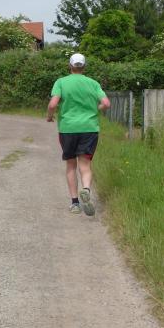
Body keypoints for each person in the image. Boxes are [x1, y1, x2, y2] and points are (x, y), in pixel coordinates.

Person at [46, 53, 110, 216]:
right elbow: (106, 103)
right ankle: (86, 189)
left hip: (68, 129)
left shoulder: (61, 82)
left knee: (71, 165)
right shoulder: (93, 83)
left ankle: (75, 203)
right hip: (89, 128)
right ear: (84, 67)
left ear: (70, 65)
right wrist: (96, 110)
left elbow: (53, 104)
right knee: (85, 165)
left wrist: (50, 116)